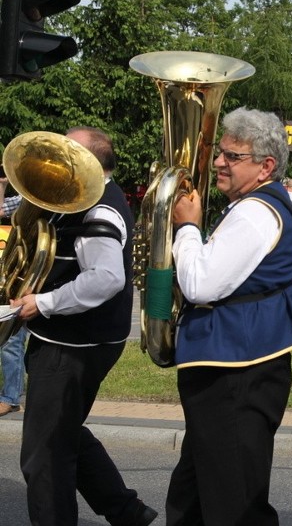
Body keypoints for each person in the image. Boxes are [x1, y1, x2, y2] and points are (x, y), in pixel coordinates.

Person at [167, 107, 292, 525]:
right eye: (222, 153)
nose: (218, 162)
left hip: (237, 371)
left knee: (234, 504)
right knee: (194, 494)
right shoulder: (251, 206)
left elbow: (199, 283)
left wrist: (187, 227)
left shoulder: (254, 212)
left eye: (232, 156)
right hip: (231, 367)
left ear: (265, 166)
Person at [11, 126, 157, 525]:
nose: (54, 160)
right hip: (65, 340)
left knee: (45, 456)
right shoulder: (74, 201)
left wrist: (42, 302)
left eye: (65, 154)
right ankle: (127, 511)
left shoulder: (100, 209)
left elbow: (107, 278)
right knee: (64, 431)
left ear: (91, 163)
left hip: (74, 346)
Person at [0, 176, 27, 418]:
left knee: (12, 341)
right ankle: (14, 391)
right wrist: (2, 186)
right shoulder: (21, 200)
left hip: (28, 278)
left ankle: (10, 397)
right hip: (12, 275)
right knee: (11, 340)